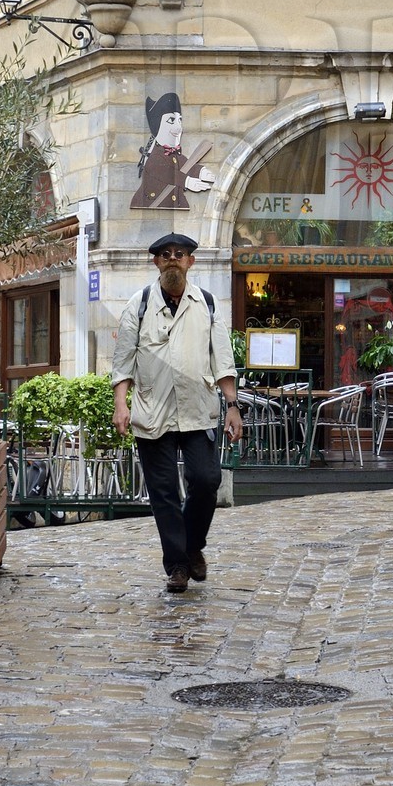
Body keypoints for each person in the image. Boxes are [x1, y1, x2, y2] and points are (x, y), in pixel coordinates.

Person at [112, 232, 243, 592]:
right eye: (165, 254)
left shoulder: (208, 304)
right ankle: (178, 566)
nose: (173, 259)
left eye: (180, 254)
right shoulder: (138, 305)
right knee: (164, 491)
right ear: (156, 261)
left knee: (207, 480)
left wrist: (232, 406)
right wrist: (121, 404)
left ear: (190, 262)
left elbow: (223, 360)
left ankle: (192, 544)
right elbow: (122, 362)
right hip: (152, 412)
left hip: (197, 409)